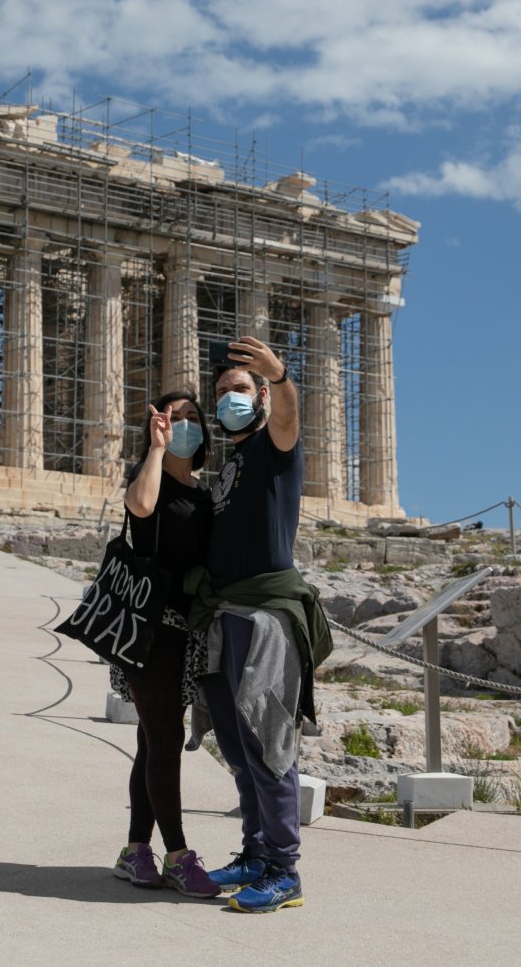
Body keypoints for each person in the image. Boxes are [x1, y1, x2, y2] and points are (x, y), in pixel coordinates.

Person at [185, 335, 330, 914]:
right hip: (224, 616)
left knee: (269, 743)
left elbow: (291, 418)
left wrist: (282, 376)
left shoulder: (275, 448)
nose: (229, 397)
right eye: (222, 390)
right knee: (237, 747)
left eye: (240, 388)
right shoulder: (230, 464)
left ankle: (284, 870)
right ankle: (254, 852)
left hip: (266, 616)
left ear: (261, 396)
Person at [108, 391, 221, 899]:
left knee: (151, 741)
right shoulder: (148, 477)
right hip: (147, 629)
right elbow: (141, 506)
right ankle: (177, 855)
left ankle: (135, 851)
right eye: (175, 417)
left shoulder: (206, 495)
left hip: (186, 632)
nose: (185, 424)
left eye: (193, 417)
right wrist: (156, 449)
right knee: (167, 740)